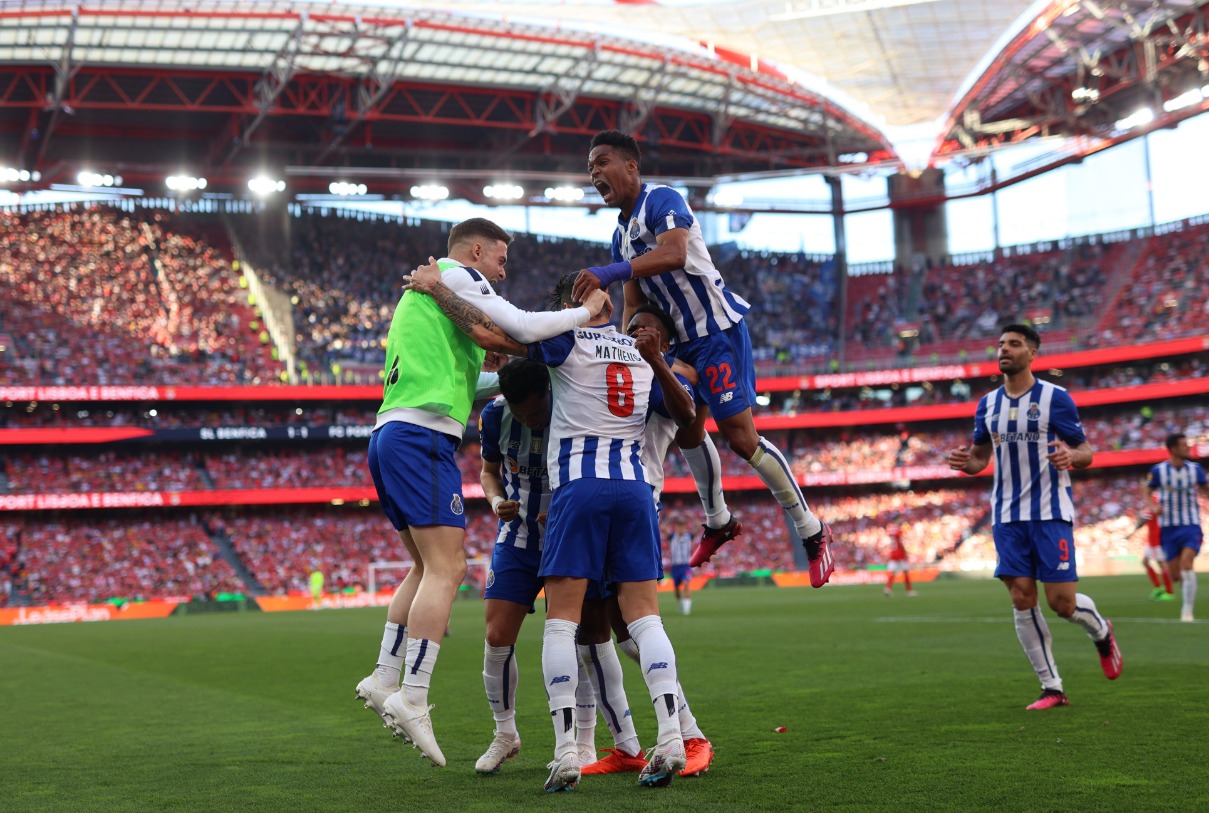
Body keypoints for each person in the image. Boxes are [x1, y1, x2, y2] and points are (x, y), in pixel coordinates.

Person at [354, 217, 609, 768]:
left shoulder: (430, 304)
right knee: (448, 570)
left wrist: (513, 364)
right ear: (476, 251)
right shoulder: (457, 277)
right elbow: (516, 323)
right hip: (423, 437)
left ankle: (383, 677)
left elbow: (485, 376)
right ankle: (413, 696)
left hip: (390, 433)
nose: (502, 271)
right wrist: (586, 316)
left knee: (423, 569)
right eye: (500, 260)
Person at [572, 129, 833, 584]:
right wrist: (623, 347)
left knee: (741, 439)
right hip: (678, 344)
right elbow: (634, 301)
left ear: (631, 166)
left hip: (716, 333)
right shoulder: (620, 235)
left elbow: (673, 253)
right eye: (591, 166)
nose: (594, 172)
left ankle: (811, 530)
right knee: (686, 430)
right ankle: (718, 520)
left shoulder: (662, 199)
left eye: (602, 162)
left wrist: (609, 272)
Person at [947, 324, 1121, 711]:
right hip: (1007, 515)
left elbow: (1086, 451)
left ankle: (1102, 631)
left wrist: (1071, 457)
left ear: (1032, 353)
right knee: (1022, 598)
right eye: (1000, 345)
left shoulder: (1055, 398)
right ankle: (1052, 687)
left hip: (1050, 512)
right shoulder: (987, 405)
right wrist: (966, 463)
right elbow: (979, 458)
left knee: (1062, 603)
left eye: (1013, 344)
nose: (1003, 350)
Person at [473, 358, 552, 774]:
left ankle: (582, 739)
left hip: (566, 537)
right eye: (519, 411)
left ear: (545, 392)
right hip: (517, 538)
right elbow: (489, 473)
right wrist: (494, 501)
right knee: (496, 635)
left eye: (534, 411)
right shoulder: (494, 415)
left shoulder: (570, 404)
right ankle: (505, 734)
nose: (527, 418)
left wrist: (561, 507)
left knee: (580, 638)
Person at [1146, 432, 1207, 622]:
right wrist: (1152, 506)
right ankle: (1187, 593)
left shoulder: (1195, 469)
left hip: (1191, 525)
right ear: (1173, 449)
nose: (1188, 447)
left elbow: (1205, 489)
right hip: (1168, 528)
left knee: (1187, 563)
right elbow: (1147, 490)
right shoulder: (1158, 471)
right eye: (1184, 445)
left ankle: (1187, 610)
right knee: (1175, 575)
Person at [1125, 489, 1174, 600]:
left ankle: (1169, 592)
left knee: (1162, 566)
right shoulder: (1157, 507)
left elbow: (1143, 520)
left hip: (1157, 541)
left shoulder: (1153, 507)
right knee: (1145, 562)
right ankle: (1158, 588)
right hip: (1153, 541)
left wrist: (1131, 533)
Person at [668, 518, 694, 614]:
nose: (680, 529)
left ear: (685, 528)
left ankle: (686, 611)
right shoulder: (672, 537)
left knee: (686, 584)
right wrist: (668, 518)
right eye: (678, 527)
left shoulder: (689, 536)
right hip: (675, 567)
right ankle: (681, 605)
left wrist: (692, 517)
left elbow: (698, 527)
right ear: (676, 528)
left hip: (686, 565)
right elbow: (663, 527)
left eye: (682, 527)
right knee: (677, 589)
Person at [884, 523, 916, 597]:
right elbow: (901, 543)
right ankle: (909, 591)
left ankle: (887, 589)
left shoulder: (890, 531)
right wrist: (905, 552)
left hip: (893, 554)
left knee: (892, 573)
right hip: (900, 554)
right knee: (905, 572)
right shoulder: (899, 531)